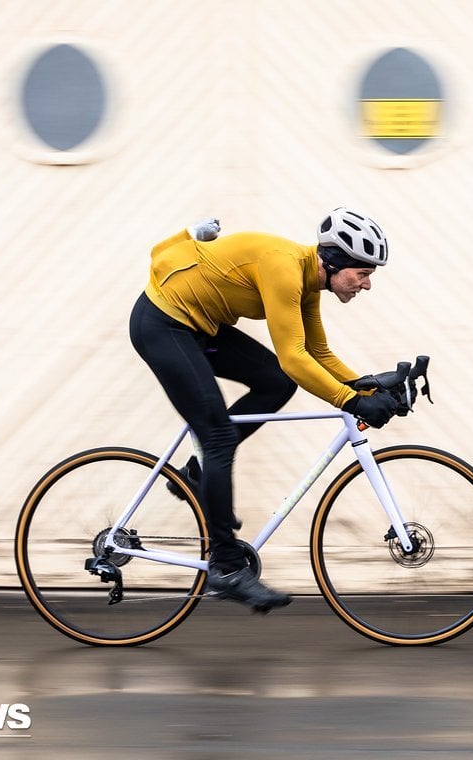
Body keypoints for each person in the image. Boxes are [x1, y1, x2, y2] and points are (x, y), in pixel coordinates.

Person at [129, 208, 399, 613]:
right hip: (163, 325)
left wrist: (371, 385)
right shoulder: (285, 268)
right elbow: (294, 357)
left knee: (274, 382)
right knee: (218, 435)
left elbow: (317, 352)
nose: (367, 284)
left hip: (201, 328)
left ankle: (197, 475)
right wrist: (352, 400)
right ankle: (226, 568)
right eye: (363, 273)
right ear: (336, 262)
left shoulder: (309, 281)